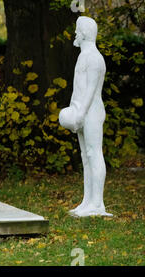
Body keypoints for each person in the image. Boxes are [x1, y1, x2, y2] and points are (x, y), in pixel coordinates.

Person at [59, 16, 112, 217]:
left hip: (91, 112)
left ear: (84, 33)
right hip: (81, 111)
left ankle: (97, 203)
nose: (75, 34)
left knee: (94, 153)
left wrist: (80, 113)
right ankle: (87, 200)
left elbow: (90, 90)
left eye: (77, 30)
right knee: (85, 156)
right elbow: (79, 90)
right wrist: (74, 110)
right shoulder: (83, 56)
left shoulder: (94, 58)